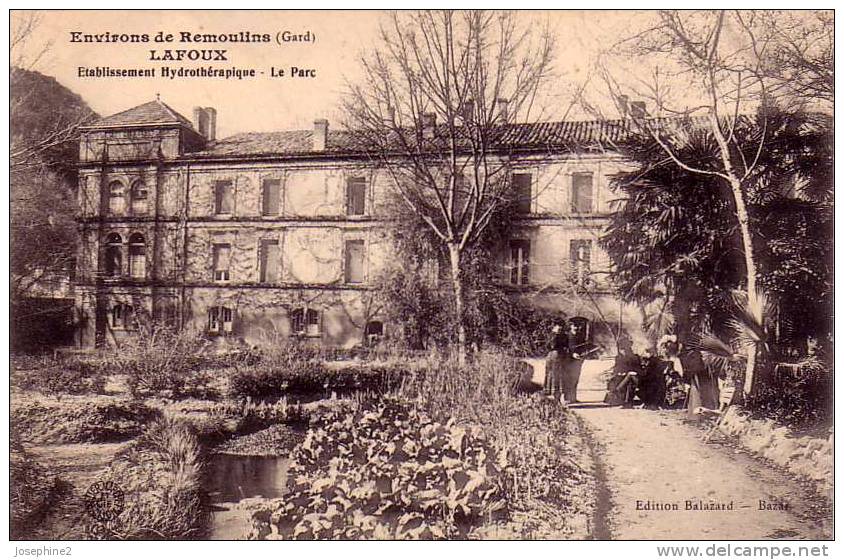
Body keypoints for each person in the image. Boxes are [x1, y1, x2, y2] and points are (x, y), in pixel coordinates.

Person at [661, 335, 719, 420]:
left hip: (701, 373)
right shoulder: (682, 353)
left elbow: (694, 364)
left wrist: (687, 375)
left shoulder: (687, 351)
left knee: (703, 395)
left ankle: (704, 416)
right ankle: (698, 417)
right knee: (698, 396)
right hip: (696, 374)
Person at [605, 335, 641, 406]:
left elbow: (637, 368)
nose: (623, 350)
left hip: (632, 376)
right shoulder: (618, 358)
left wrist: (629, 371)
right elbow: (617, 368)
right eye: (622, 349)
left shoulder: (634, 357)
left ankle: (625, 399)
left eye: (625, 348)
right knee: (617, 380)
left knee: (630, 379)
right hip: (621, 376)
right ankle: (622, 398)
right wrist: (620, 372)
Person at [543, 321, 569, 401]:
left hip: (561, 357)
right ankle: (552, 396)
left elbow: (566, 345)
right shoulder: (552, 335)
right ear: (554, 327)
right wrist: (555, 335)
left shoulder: (564, 335)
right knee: (552, 376)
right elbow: (549, 346)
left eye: (561, 328)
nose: (560, 329)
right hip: (553, 357)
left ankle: (558, 398)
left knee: (560, 377)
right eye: (558, 327)